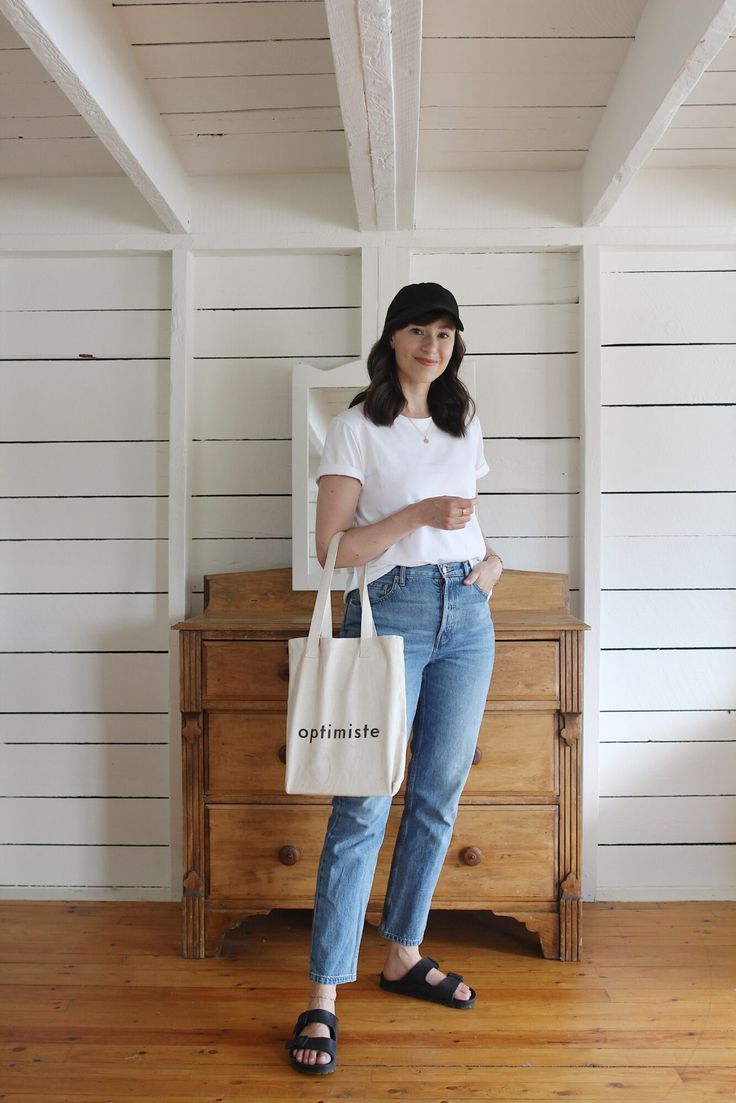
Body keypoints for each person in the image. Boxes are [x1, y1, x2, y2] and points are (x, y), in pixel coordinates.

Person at [284, 282, 504, 1075]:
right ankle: (323, 994)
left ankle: (403, 954)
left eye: (447, 332)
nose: (434, 345)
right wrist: (414, 517)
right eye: (420, 329)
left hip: (467, 615)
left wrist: (491, 563)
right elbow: (333, 550)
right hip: (393, 612)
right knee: (363, 803)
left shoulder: (461, 419)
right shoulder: (356, 426)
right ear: (394, 337)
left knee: (438, 795)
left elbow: (466, 513)